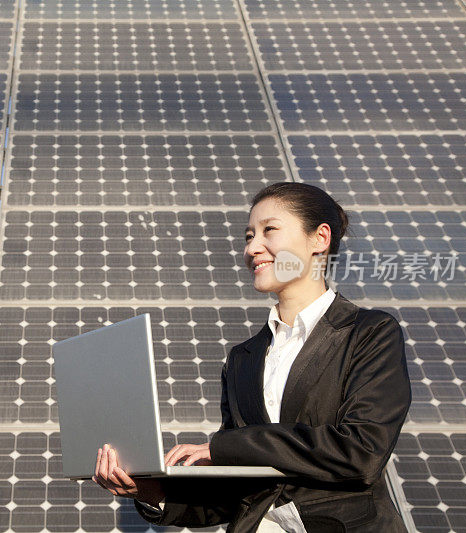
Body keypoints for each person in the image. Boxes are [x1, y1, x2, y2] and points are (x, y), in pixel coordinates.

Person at [92, 182, 411, 532]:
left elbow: (361, 452)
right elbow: (237, 495)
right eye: (248, 236)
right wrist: (150, 493)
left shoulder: (368, 333)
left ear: (320, 238)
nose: (253, 248)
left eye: (269, 230)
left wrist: (225, 447)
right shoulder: (243, 359)